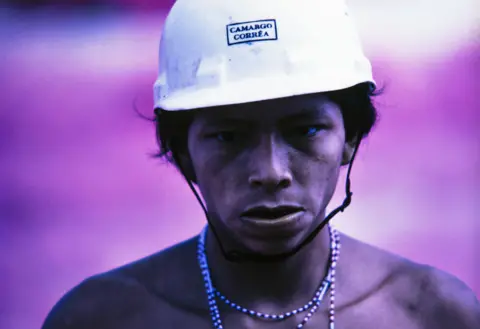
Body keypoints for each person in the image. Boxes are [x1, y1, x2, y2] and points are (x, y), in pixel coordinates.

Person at [42, 0, 480, 328]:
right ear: (181, 153)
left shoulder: (435, 313)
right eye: (229, 136)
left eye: (304, 130)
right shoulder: (101, 318)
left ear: (349, 137)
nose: (271, 172)